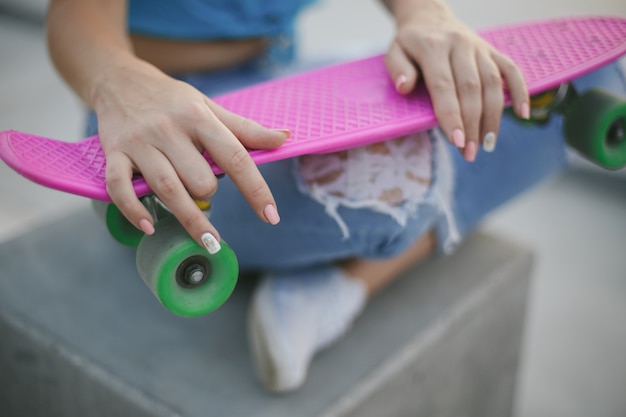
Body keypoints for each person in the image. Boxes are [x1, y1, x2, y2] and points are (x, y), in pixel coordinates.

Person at [46, 0, 626, 393]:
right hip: (149, 115)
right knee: (375, 188)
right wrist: (117, 83)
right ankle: (372, 246)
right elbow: (75, 23)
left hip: (292, 81)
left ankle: (341, 284)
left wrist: (427, 16)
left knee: (586, 84)